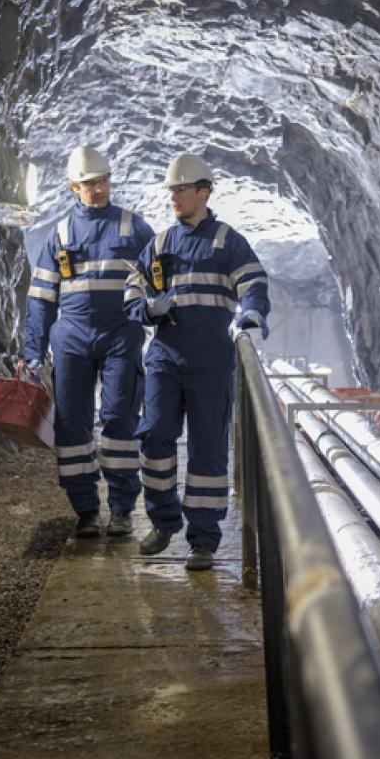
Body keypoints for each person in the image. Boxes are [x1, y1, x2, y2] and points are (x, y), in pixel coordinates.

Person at [124, 153, 270, 571]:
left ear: (204, 193)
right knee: (154, 434)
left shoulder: (227, 241)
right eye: (171, 191)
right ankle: (163, 520)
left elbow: (253, 281)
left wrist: (252, 311)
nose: (174, 197)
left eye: (182, 190)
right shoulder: (159, 244)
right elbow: (132, 288)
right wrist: (147, 308)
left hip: (210, 358)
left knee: (207, 446)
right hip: (166, 353)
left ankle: (203, 540)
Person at [23, 146, 155, 537]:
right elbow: (41, 297)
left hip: (121, 335)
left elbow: (160, 281)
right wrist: (33, 352)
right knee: (71, 425)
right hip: (72, 337)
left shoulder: (134, 228)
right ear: (73, 187)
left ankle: (122, 509)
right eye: (90, 184)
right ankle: (85, 510)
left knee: (119, 418)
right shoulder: (61, 233)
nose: (98, 190)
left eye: (103, 181)